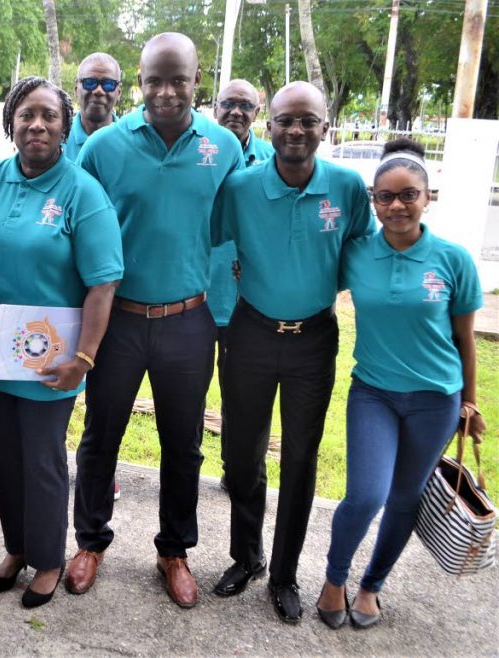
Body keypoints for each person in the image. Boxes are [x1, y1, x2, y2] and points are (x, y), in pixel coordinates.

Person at [66, 33, 243, 608]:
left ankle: (174, 550)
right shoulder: (104, 148)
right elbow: (74, 220)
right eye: (154, 81)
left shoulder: (224, 147)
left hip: (189, 322)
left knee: (183, 445)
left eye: (179, 80)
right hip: (117, 320)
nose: (166, 92)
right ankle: (90, 541)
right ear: (138, 82)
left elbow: (227, 230)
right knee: (101, 436)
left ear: (199, 80)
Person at [210, 81, 374, 623]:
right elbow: (212, 244)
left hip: (313, 340)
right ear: (268, 126)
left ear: (325, 127)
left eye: (308, 120)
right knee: (241, 454)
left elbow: (362, 254)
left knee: (300, 460)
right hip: (251, 332)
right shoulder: (239, 187)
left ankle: (283, 573)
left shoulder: (348, 188)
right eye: (285, 120)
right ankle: (247, 557)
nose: (296, 130)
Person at [0, 76, 122, 609]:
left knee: (42, 460)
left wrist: (84, 358)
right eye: (26, 114)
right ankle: (16, 547)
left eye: (49, 116)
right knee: (2, 459)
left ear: (65, 127)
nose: (37, 125)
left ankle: (49, 558)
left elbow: (103, 282)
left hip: (51, 358)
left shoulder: (82, 192)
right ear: (10, 122)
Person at [316, 138, 485, 630]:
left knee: (406, 495)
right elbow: (311, 275)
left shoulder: (454, 260)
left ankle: (372, 585)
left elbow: (465, 340)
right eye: (385, 196)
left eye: (408, 194)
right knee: (366, 494)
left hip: (436, 400)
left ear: (427, 198)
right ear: (373, 201)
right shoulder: (356, 254)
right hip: (373, 392)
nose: (396, 205)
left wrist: (470, 404)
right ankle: (334, 578)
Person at [210, 79, 275, 489]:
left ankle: (242, 477)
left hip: (251, 306)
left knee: (247, 401)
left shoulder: (271, 160)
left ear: (257, 112)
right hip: (199, 296)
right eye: (228, 104)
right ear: (215, 106)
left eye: (245, 105)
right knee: (184, 403)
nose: (236, 111)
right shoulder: (203, 152)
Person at [65, 52, 122, 162]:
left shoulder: (130, 142)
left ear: (119, 92)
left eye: (108, 84)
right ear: (76, 88)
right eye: (89, 82)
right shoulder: (57, 139)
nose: (98, 91)